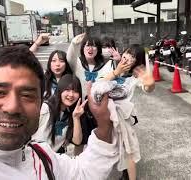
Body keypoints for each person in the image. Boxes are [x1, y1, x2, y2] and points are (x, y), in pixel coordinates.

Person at [0, 46, 119, 179]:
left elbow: (83, 173)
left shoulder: (43, 156)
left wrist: (103, 122)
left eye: (27, 95)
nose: (12, 107)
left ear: (40, 103)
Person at [100, 44, 155, 180]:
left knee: (128, 148)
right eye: (127, 53)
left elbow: (147, 88)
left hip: (123, 117)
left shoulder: (135, 76)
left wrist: (150, 84)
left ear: (137, 62)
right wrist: (116, 71)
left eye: (133, 57)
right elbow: (99, 84)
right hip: (105, 115)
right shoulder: (111, 66)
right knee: (107, 148)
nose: (128, 57)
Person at [67, 33, 116, 154]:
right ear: (82, 48)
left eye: (94, 46)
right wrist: (74, 44)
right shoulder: (77, 63)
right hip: (81, 108)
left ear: (98, 50)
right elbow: (69, 58)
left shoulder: (105, 65)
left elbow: (115, 77)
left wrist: (117, 61)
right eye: (87, 45)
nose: (90, 48)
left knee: (98, 141)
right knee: (79, 141)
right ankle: (77, 165)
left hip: (98, 109)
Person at [32, 74, 87, 153]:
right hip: (34, 157)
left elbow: (77, 141)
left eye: (75, 91)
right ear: (60, 90)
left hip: (51, 160)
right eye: (67, 90)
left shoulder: (71, 114)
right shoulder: (45, 109)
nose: (71, 94)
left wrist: (76, 118)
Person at [29, 34, 73, 99]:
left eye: (61, 61)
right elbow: (27, 58)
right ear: (49, 63)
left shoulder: (71, 80)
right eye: (54, 61)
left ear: (66, 64)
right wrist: (37, 43)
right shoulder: (43, 78)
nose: (57, 64)